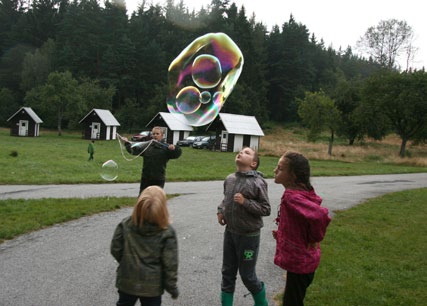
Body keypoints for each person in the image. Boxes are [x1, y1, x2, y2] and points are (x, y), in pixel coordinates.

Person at [272, 151, 331, 306]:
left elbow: (320, 215)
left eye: (280, 168)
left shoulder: (292, 197)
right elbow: (302, 222)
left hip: (300, 264)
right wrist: (282, 234)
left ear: (294, 176)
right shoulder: (301, 193)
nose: (275, 171)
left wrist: (315, 238)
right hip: (303, 262)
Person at [217, 147, 271, 306]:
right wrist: (221, 210)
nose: (241, 153)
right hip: (230, 233)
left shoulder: (258, 182)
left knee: (247, 275)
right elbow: (225, 200)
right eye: (240, 151)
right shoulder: (230, 179)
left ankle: (261, 302)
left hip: (249, 237)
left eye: (246, 153)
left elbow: (266, 209)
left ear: (253, 163)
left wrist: (245, 202)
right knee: (227, 272)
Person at [110, 185, 179, 306]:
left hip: (127, 280)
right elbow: (170, 264)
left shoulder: (126, 224)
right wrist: (172, 287)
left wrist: (126, 262)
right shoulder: (167, 232)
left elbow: (116, 248)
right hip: (152, 286)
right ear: (163, 209)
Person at [121, 126, 182, 195]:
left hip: (158, 179)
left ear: (162, 135)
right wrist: (126, 143)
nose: (155, 135)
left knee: (155, 200)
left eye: (157, 134)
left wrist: (174, 148)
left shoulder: (166, 148)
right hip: (146, 178)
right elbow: (134, 151)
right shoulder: (147, 146)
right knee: (143, 199)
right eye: (153, 134)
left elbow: (177, 154)